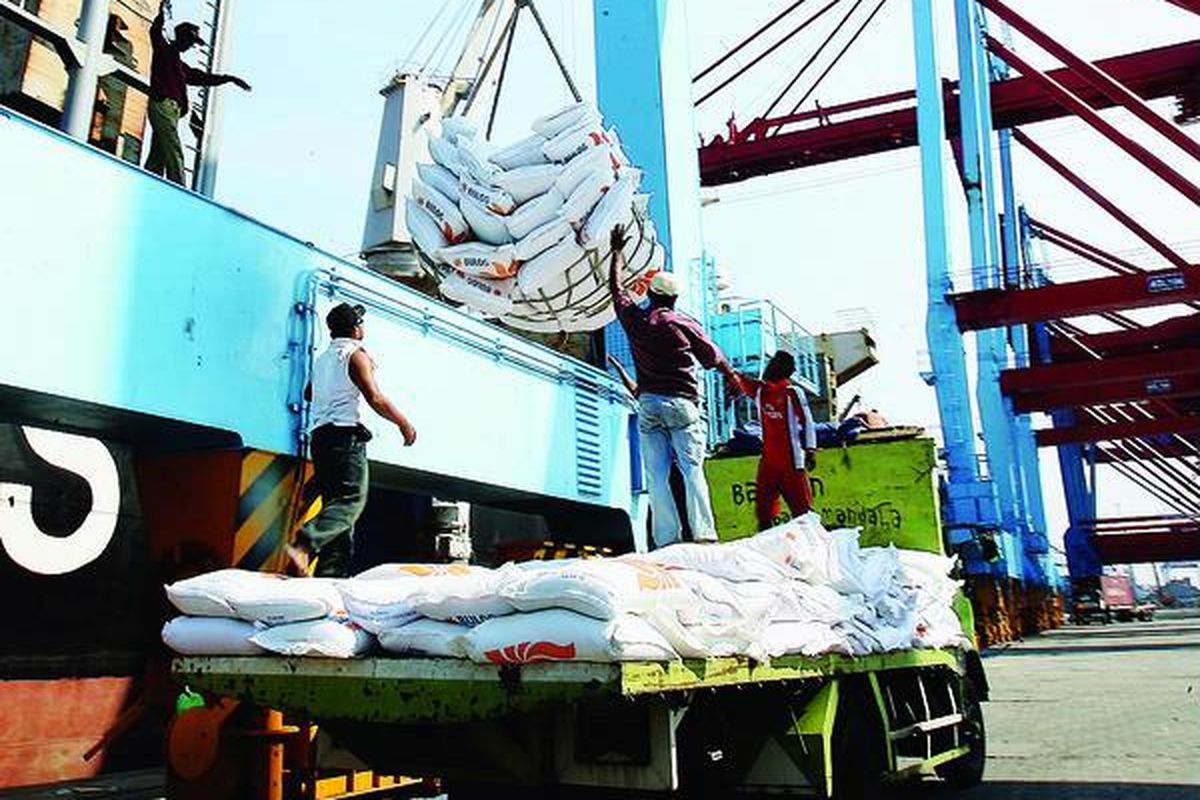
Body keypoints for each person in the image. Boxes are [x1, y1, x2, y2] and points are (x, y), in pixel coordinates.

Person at [608, 224, 742, 548]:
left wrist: (616, 251)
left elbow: (617, 290)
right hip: (683, 405)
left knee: (656, 476)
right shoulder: (683, 323)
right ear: (675, 298)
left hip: (649, 405)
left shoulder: (635, 320)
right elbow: (714, 357)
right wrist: (732, 377)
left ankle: (667, 539)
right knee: (692, 470)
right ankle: (704, 535)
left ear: (651, 294)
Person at [285, 303, 417, 577]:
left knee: (340, 516)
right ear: (357, 328)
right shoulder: (355, 355)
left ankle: (328, 579)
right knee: (350, 501)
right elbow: (375, 397)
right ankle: (304, 543)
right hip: (345, 438)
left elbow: (310, 393)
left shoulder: (323, 360)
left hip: (321, 439)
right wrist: (403, 423)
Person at [146, 3, 250, 185]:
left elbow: (202, 77)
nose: (189, 46)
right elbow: (155, 30)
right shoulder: (163, 49)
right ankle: (179, 188)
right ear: (181, 38)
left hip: (172, 111)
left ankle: (149, 181)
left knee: (160, 152)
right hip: (163, 104)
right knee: (173, 148)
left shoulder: (180, 66)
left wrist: (228, 79)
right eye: (189, 42)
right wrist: (164, 10)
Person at [738, 350, 817, 531]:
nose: (769, 366)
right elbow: (737, 378)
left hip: (792, 462)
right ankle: (768, 551)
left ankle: (814, 550)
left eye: (774, 363)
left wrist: (810, 450)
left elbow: (807, 420)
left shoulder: (792, 392)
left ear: (783, 369)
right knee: (763, 513)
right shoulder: (761, 391)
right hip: (769, 462)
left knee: (803, 514)